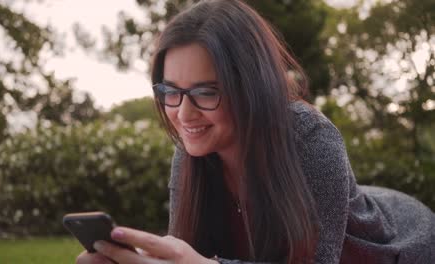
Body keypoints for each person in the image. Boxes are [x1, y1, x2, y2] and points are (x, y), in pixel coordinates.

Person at [76, 0, 435, 263]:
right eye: (171, 92)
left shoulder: (309, 136)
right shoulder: (190, 150)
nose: (184, 113)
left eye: (206, 92)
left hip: (403, 245)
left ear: (250, 87)